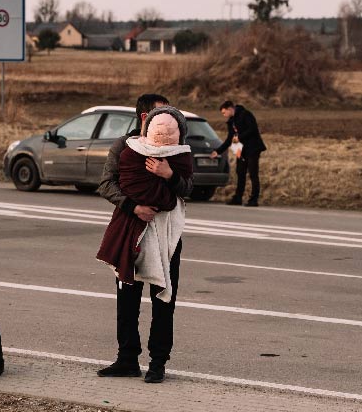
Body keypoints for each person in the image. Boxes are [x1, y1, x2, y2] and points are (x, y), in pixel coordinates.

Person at [97, 95, 193, 384]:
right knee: (127, 297)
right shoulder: (123, 147)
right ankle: (127, 358)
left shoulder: (177, 150)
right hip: (131, 227)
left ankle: (158, 363)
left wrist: (168, 174)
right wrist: (134, 207)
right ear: (143, 118)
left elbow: (188, 187)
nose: (166, 119)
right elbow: (106, 184)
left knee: (164, 299)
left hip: (166, 235)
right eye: (158, 114)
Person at [210, 100, 266, 207]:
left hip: (252, 149)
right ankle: (238, 197)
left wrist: (239, 137)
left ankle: (254, 199)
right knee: (240, 172)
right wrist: (218, 151)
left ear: (230, 109)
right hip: (241, 150)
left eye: (224, 112)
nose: (224, 115)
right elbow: (229, 139)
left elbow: (253, 129)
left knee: (253, 174)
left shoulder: (246, 114)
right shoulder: (231, 121)